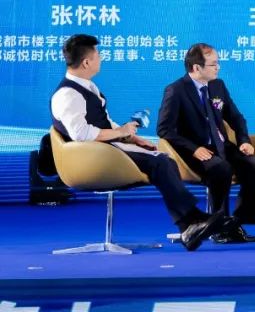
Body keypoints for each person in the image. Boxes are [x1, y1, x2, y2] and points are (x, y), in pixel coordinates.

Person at [50, 34, 225, 251]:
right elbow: (81, 133)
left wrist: (131, 138)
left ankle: (190, 225)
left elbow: (103, 123)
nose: (101, 58)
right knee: (161, 163)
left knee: (163, 160)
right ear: (86, 62)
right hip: (91, 158)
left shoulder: (87, 87)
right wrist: (120, 132)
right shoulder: (68, 94)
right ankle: (192, 221)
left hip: (106, 151)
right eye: (98, 55)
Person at [157, 43, 255, 244]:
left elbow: (236, 117)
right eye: (213, 64)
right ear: (196, 67)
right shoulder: (176, 90)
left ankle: (235, 223)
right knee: (221, 168)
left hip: (222, 146)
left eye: (218, 63)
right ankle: (218, 226)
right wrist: (193, 148)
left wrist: (244, 141)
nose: (218, 67)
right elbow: (164, 129)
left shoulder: (218, 85)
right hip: (194, 150)